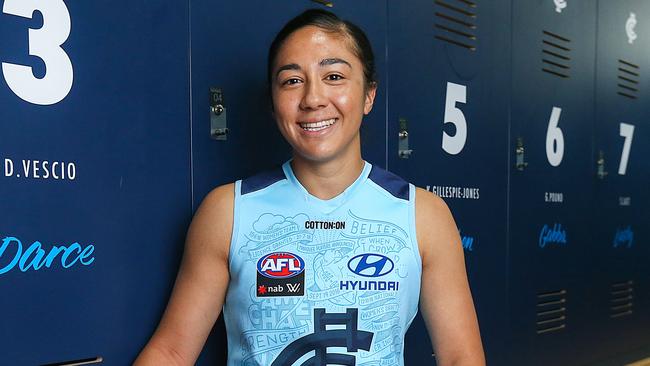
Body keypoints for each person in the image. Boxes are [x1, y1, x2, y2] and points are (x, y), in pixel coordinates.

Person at [135, 9, 484, 366]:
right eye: (291, 81)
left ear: (369, 96)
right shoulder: (228, 211)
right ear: (273, 103)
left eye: (333, 76)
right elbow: (172, 352)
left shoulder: (423, 214)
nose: (313, 99)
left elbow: (461, 357)